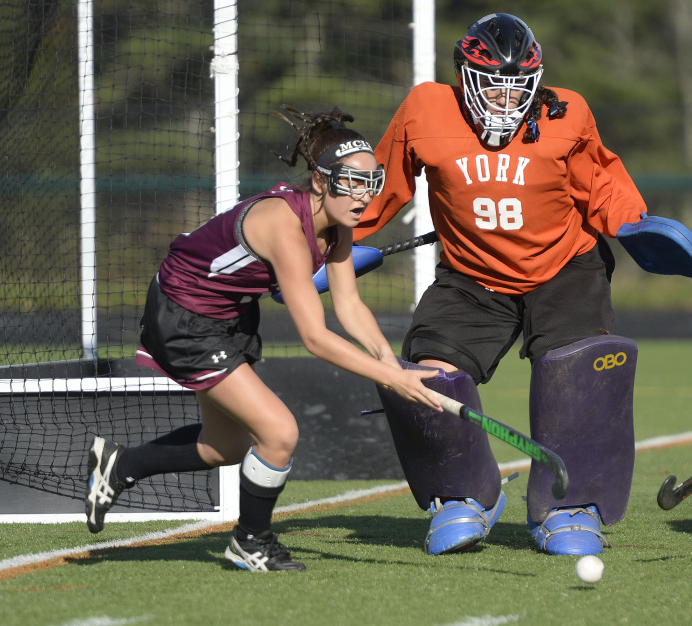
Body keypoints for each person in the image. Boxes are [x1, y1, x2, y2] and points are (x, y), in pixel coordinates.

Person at [84, 105, 443, 572]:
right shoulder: (284, 228)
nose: (363, 196)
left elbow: (349, 305)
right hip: (185, 315)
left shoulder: (339, 225)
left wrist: (389, 362)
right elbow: (315, 337)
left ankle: (121, 465)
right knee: (279, 432)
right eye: (351, 183)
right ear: (319, 181)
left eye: (370, 183)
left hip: (230, 315)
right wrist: (391, 380)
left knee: (225, 447)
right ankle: (250, 542)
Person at [353, 13, 649, 556]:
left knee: (578, 369)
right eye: (492, 86)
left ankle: (570, 505)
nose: (505, 101)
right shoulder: (425, 110)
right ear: (466, 77)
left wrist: (636, 225)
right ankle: (464, 495)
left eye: (518, 89)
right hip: (472, 275)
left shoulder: (569, 113)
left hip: (566, 266)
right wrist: (325, 241)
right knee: (427, 374)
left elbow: (601, 184)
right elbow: (382, 187)